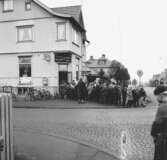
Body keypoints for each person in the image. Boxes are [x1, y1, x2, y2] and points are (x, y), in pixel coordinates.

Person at [151, 83, 167, 160]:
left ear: (161, 95)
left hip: (163, 139)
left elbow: (157, 124)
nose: (156, 98)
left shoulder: (163, 107)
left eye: (156, 96)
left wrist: (153, 134)